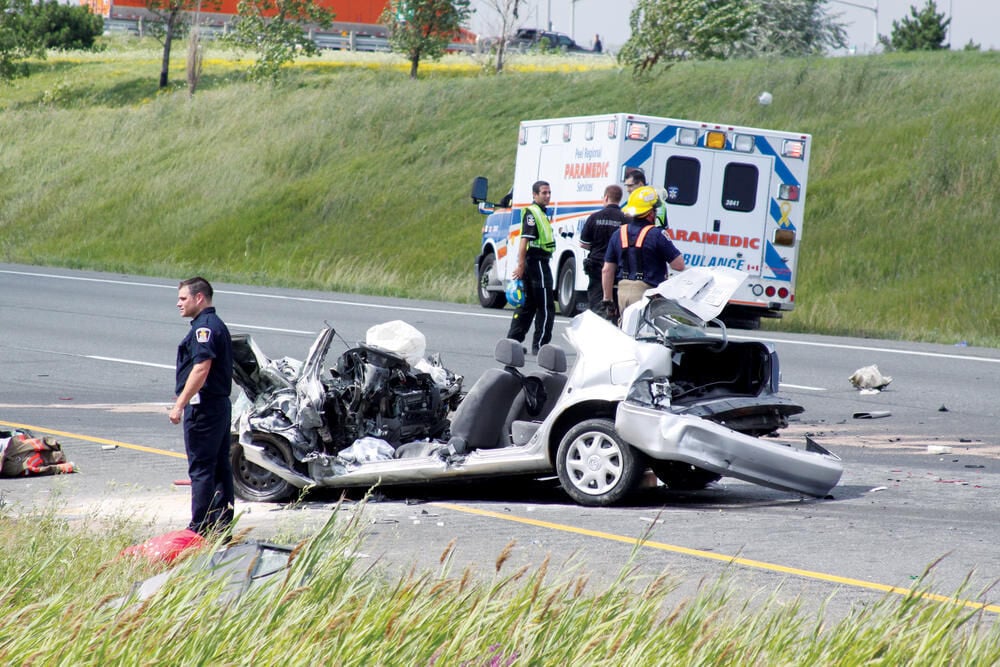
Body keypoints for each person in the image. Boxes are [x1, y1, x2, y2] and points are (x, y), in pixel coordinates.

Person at [170, 276, 235, 537]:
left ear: (199, 298)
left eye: (183, 298)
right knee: (220, 466)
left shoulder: (203, 329)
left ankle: (199, 527)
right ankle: (221, 526)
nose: (178, 304)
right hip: (218, 406)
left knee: (201, 468)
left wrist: (179, 405)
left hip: (204, 409)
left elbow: (201, 368)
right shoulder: (216, 325)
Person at [602, 186, 685, 318]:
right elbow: (679, 265)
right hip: (645, 294)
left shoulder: (618, 233)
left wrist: (608, 299)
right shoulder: (657, 234)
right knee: (645, 335)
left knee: (625, 331)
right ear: (650, 213)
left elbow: (607, 270)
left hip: (622, 292)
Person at [507, 180, 555, 354]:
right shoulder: (532, 213)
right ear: (534, 195)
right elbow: (524, 241)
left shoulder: (541, 212)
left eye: (549, 192)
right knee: (546, 306)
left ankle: (513, 342)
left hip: (536, 261)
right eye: (544, 193)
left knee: (527, 305)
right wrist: (520, 265)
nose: (547, 196)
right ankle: (540, 345)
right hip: (537, 261)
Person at [579, 184, 625, 311]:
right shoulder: (625, 219)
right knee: (616, 308)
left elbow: (583, 243)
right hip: (617, 269)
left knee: (596, 306)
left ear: (606, 197)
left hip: (597, 267)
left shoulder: (594, 217)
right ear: (619, 199)